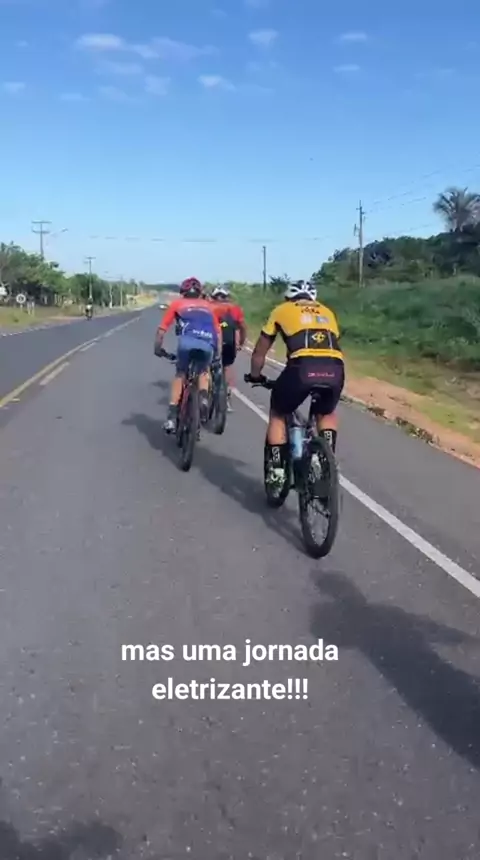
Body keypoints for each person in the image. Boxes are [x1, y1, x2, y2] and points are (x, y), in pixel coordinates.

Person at [246, 279, 344, 486]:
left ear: (288, 297)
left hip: (302, 368)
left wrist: (255, 375)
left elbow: (260, 351)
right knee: (326, 412)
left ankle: (277, 471)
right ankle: (325, 459)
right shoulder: (328, 312)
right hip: (335, 368)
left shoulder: (282, 309)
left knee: (278, 411)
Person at [155, 277, 222, 433]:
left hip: (187, 343)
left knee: (181, 373)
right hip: (207, 344)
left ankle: (171, 418)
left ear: (183, 292)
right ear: (199, 293)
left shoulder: (177, 304)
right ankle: (203, 399)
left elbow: (161, 330)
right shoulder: (209, 306)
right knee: (203, 371)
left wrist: (158, 349)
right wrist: (217, 355)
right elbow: (218, 333)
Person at [210, 285, 247, 411]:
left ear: (213, 297)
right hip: (230, 342)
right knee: (228, 367)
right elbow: (242, 327)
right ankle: (227, 397)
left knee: (205, 367)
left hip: (212, 341)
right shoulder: (235, 309)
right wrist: (241, 343)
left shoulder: (208, 307)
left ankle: (203, 394)